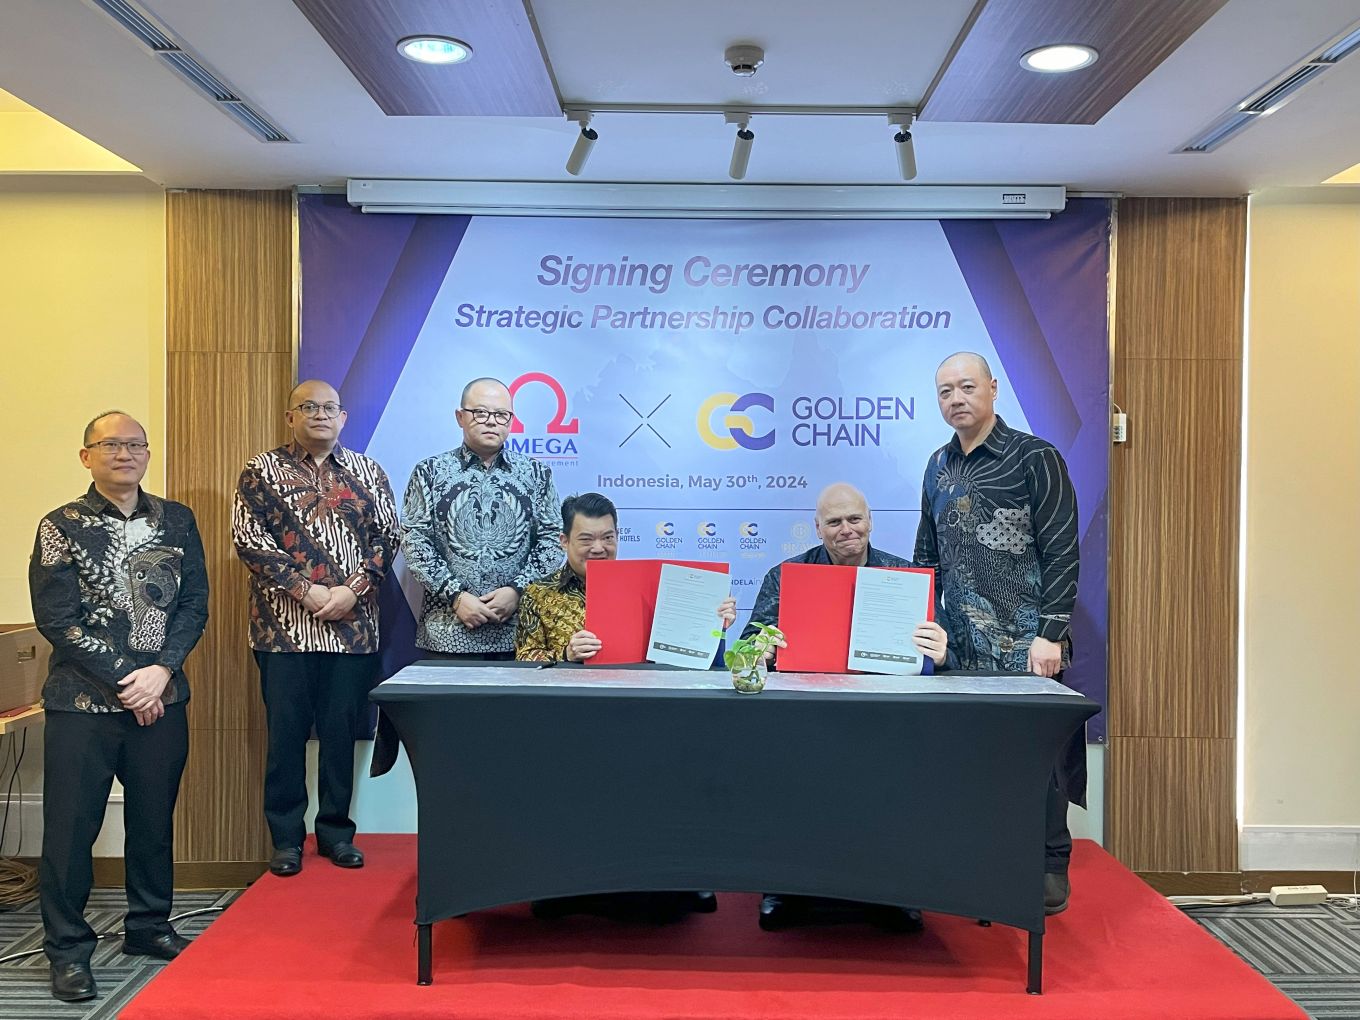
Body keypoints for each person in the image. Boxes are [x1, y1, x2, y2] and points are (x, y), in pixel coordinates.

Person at [30, 411, 209, 1002]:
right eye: (111, 445)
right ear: (87, 456)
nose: (125, 454)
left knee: (153, 822)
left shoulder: (177, 520)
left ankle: (149, 927)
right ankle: (68, 950)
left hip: (163, 697)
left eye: (136, 444)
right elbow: (57, 619)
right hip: (82, 706)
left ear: (148, 454)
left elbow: (194, 605)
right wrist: (129, 681)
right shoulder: (60, 525)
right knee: (70, 831)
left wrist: (161, 672)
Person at [913, 351, 1083, 915]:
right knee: (974, 760)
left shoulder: (1035, 457)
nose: (956, 399)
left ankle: (1049, 864)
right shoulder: (936, 466)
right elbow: (926, 558)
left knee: (1040, 761)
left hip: (1028, 643)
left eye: (966, 387)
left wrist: (1050, 633)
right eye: (945, 391)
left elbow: (1062, 550)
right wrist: (927, 625)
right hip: (961, 647)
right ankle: (984, 861)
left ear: (992, 388)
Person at [515, 491, 737, 922]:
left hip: (645, 721)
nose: (599, 548)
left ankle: (681, 877)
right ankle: (563, 882)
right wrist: (565, 654)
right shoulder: (538, 595)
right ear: (564, 541)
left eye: (608, 537)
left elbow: (694, 660)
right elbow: (524, 665)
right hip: (570, 727)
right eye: (586, 539)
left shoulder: (654, 588)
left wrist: (714, 625)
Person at [743, 481, 948, 933]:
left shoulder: (906, 576)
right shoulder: (785, 576)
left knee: (894, 789)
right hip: (804, 718)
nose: (846, 530)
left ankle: (895, 891)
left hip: (882, 719)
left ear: (870, 521)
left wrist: (941, 651)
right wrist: (764, 650)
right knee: (786, 781)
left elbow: (939, 655)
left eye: (854, 519)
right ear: (817, 528)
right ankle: (783, 886)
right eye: (834, 522)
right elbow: (748, 645)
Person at [233, 380, 399, 878]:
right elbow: (249, 540)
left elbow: (388, 538)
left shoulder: (369, 472)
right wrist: (306, 591)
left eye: (329, 408)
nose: (320, 415)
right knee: (285, 738)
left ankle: (336, 833)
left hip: (353, 631)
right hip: (283, 632)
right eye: (308, 407)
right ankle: (286, 839)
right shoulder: (261, 470)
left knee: (339, 736)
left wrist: (352, 591)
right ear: (291, 417)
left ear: (343, 418)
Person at [402, 377, 561, 659]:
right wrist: (456, 596)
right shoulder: (430, 472)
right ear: (460, 417)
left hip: (520, 636)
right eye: (480, 413)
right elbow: (415, 542)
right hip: (447, 633)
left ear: (511, 420)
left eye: (501, 415)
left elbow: (552, 541)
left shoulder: (536, 474)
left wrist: (517, 590)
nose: (491, 422)